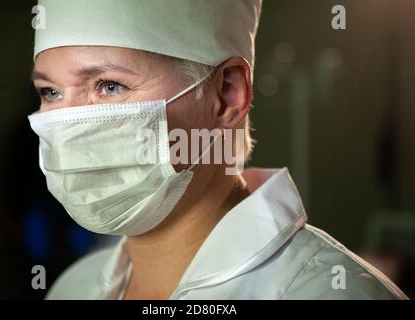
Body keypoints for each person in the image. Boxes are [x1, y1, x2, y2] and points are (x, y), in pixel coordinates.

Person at [28, 0, 407, 299]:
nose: (68, 125)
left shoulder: (330, 293)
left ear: (227, 95)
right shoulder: (74, 288)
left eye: (109, 86)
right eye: (51, 92)